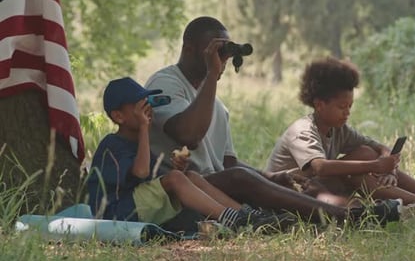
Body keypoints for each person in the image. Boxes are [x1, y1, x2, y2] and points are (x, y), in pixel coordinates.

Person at [143, 16, 357, 225]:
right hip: (182, 186)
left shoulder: (214, 103)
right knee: (240, 178)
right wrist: (212, 75)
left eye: (224, 54)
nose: (221, 61)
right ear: (188, 49)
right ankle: (343, 217)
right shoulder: (166, 82)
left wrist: (273, 178)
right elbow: (190, 136)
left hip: (215, 186)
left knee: (303, 185)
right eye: (214, 52)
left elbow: (228, 162)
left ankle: (348, 211)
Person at [263, 56, 415, 212]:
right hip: (293, 194)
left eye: (350, 106)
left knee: (365, 152)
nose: (347, 112)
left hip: (319, 188)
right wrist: (376, 166)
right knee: (363, 168)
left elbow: (378, 148)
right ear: (319, 105)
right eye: (342, 106)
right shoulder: (303, 131)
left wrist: (388, 169)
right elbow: (321, 167)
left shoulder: (338, 129)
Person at [86, 77, 287, 232]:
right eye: (139, 107)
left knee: (189, 176)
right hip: (115, 213)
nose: (147, 110)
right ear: (118, 116)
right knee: (175, 179)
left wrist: (178, 168)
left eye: (148, 103)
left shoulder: (137, 142)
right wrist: (145, 128)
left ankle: (247, 217)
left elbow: (151, 180)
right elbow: (140, 172)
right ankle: (233, 220)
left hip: (135, 206)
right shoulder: (112, 144)